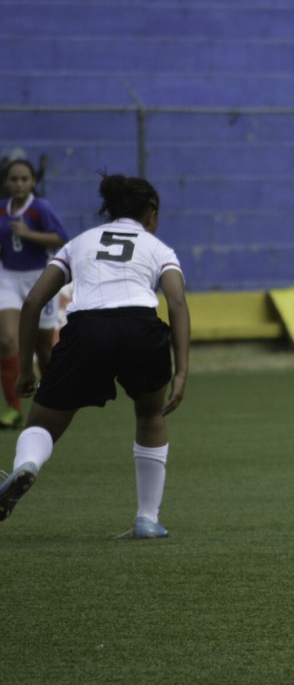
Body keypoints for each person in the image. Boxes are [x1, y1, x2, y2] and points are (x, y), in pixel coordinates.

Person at [0, 173, 190, 538]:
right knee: (150, 413)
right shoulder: (159, 249)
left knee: (42, 424)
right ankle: (147, 519)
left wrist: (25, 369)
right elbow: (177, 303)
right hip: (142, 329)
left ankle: (27, 464)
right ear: (151, 214)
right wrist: (181, 371)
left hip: (87, 330)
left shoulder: (78, 243)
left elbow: (33, 302)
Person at [0, 159, 70, 429]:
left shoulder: (40, 208)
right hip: (7, 278)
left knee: (43, 348)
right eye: (14, 179)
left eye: (24, 179)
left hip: (40, 279)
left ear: (32, 182)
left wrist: (28, 234)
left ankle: (53, 403)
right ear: (6, 182)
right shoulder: (2, 209)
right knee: (7, 340)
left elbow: (61, 238)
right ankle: (13, 408)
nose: (19, 184)